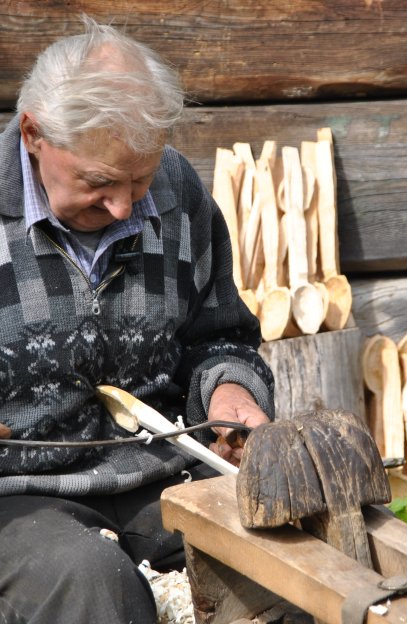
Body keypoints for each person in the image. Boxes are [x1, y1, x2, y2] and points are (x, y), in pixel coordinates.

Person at [0, 16, 274, 623]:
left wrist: (229, 390)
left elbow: (221, 335)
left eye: (139, 180)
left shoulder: (177, 184)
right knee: (91, 583)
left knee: (279, 557)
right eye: (98, 183)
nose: (125, 206)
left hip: (164, 475)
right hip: (15, 498)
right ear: (33, 134)